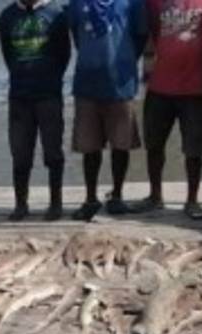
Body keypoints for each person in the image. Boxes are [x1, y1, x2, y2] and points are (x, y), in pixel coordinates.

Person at [140, 0, 202, 219]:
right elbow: (148, 32)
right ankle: (155, 196)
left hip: (195, 88)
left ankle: (192, 200)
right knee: (154, 144)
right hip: (159, 85)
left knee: (194, 150)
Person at [69, 0, 149, 220]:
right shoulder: (77, 2)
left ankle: (117, 196)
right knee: (89, 146)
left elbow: (141, 35)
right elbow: (76, 34)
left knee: (121, 144)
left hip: (121, 83)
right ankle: (90, 198)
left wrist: (125, 58)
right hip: (87, 83)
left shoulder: (133, 2)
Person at [0, 0, 72, 221]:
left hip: (49, 95)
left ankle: (56, 204)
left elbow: (64, 54)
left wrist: (50, 77)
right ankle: (21, 204)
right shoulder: (7, 15)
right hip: (19, 96)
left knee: (53, 152)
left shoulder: (56, 13)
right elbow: (7, 53)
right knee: (20, 153)